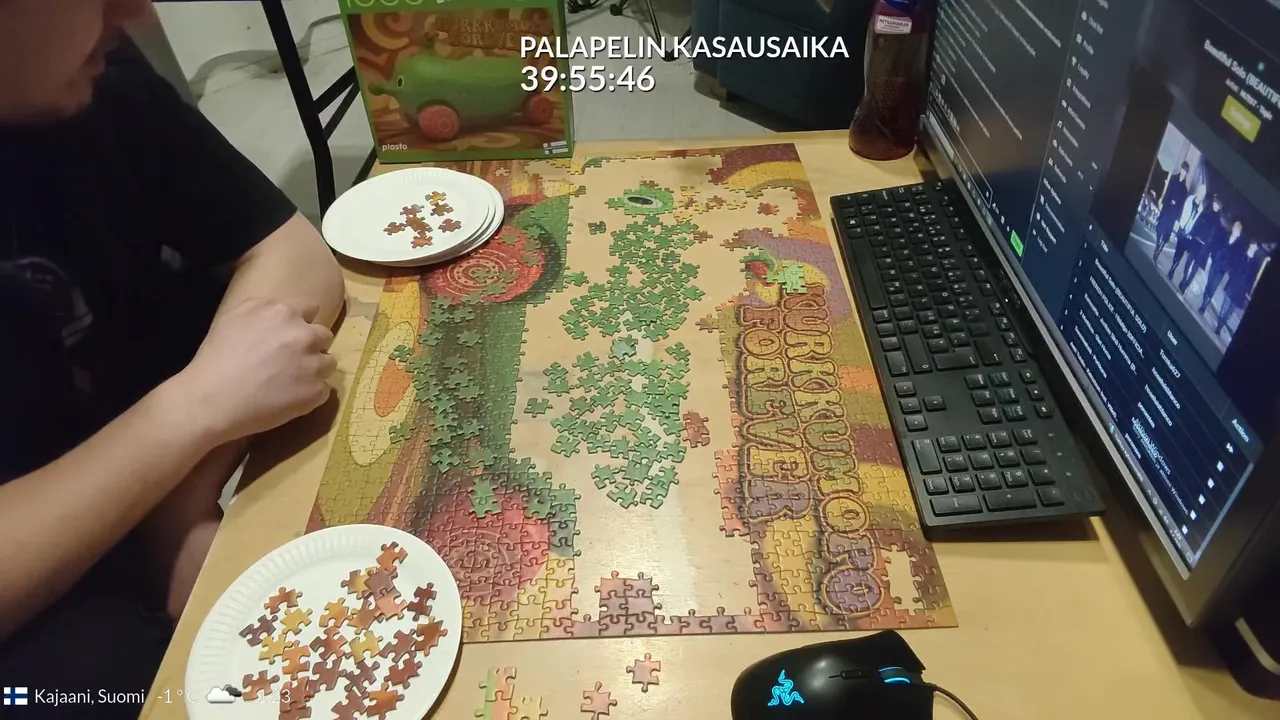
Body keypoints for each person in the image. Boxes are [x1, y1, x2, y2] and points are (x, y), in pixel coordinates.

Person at [0, 0, 346, 715]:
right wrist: (189, 413)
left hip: (161, 461)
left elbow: (289, 252)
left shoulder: (87, 72)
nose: (135, 11)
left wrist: (177, 505)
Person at [1217, 240, 1267, 336]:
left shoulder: (1256, 262)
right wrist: (1232, 276)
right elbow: (1234, 266)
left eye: (1255, 246)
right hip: (1233, 284)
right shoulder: (1243, 254)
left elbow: (1252, 278)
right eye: (1252, 245)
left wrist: (1248, 292)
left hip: (1242, 290)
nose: (1253, 247)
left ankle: (1222, 324)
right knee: (1225, 305)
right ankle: (1219, 324)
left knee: (1230, 311)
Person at [1176, 194, 1223, 294]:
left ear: (1219, 208)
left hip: (1205, 248)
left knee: (1195, 268)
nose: (1215, 206)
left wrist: (1211, 251)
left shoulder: (1218, 223)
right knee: (1188, 262)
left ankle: (1185, 285)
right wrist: (1192, 233)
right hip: (1196, 241)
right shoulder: (1206, 211)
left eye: (1218, 205)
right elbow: (1197, 222)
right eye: (1215, 203)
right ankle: (1184, 279)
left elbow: (1216, 239)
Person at [1199, 218, 1245, 315]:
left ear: (1239, 233)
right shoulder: (1226, 235)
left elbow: (1236, 259)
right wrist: (1214, 255)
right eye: (1235, 226)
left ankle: (1204, 305)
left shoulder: (1238, 246)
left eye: (1238, 228)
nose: (1235, 228)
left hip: (1222, 269)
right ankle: (1205, 299)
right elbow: (1217, 245)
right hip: (1215, 262)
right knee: (1209, 284)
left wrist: (1228, 267)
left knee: (1213, 286)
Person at [1166, 182, 1209, 285]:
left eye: (1203, 193)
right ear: (1198, 191)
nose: (1201, 194)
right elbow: (1182, 210)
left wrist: (1193, 233)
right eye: (1201, 192)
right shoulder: (1190, 200)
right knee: (1178, 251)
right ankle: (1173, 265)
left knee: (1182, 253)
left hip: (1190, 234)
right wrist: (1178, 222)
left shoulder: (1202, 209)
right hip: (1182, 229)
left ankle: (1172, 270)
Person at [1153, 162, 1191, 260]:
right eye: (1183, 170)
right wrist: (1163, 200)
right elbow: (1167, 191)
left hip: (1174, 213)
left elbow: (1182, 206)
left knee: (1166, 234)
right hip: (1167, 207)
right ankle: (1157, 244)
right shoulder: (1173, 178)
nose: (1183, 173)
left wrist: (1178, 219)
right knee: (1159, 228)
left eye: (1185, 172)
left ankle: (1159, 250)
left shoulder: (1185, 189)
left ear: (1186, 173)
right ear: (1181, 169)